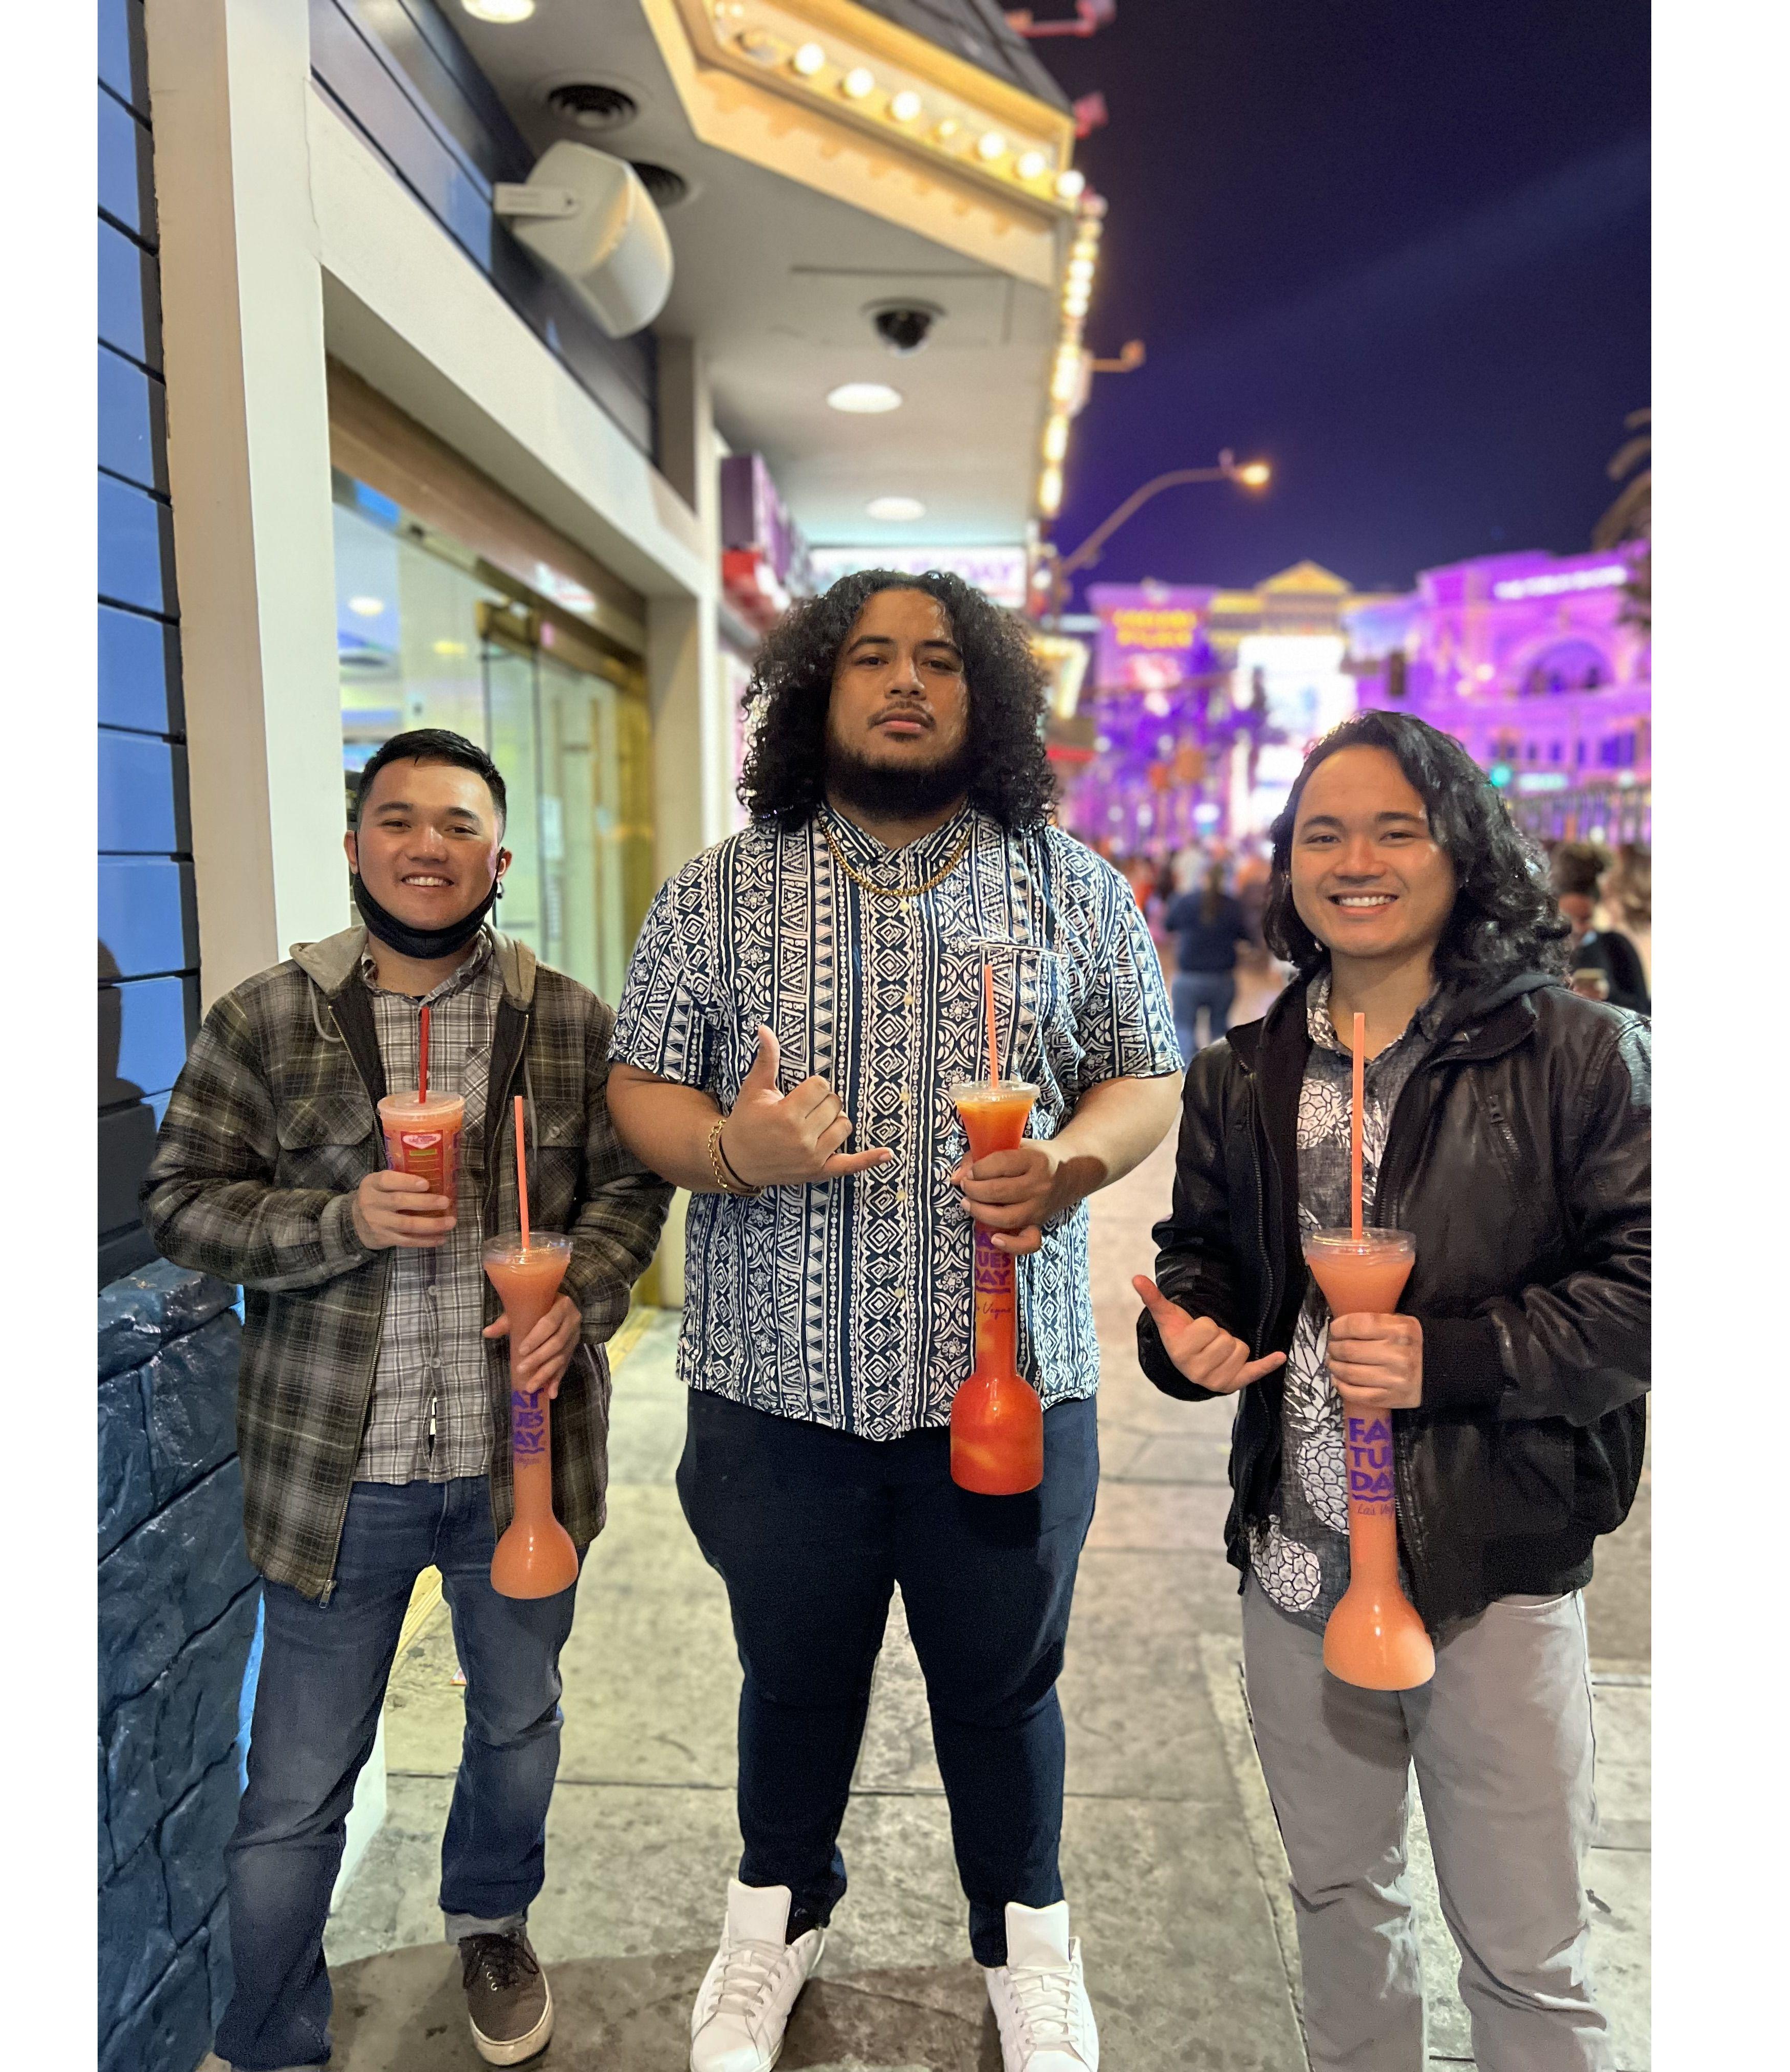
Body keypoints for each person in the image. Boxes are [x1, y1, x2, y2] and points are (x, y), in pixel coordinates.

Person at [605, 570, 1184, 2072]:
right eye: (872, 657)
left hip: (1008, 1389)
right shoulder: (718, 893)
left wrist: (1072, 1165)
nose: (906, 681)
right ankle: (773, 1921)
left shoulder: (1072, 887)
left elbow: (1146, 1070)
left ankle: (1027, 1941)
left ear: (986, 696)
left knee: (1005, 1688)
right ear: (819, 690)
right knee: (793, 1677)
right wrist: (734, 1149)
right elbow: (638, 1084)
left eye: (938, 658)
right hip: (775, 1388)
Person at [142, 728, 673, 2071]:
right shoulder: (268, 1020)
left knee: (517, 1724)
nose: (426, 846)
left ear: (499, 860)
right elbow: (183, 1203)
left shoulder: (567, 1024)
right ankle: (271, 2034)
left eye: (456, 824)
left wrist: (581, 1294)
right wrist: (343, 1220)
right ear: (354, 845)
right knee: (292, 1792)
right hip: (338, 1476)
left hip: (522, 1466)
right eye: (397, 820)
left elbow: (630, 1188)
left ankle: (492, 1922)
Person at [1131, 711, 1648, 2072]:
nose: (1355, 860)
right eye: (1323, 835)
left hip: (1489, 1566)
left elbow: (1652, 1291)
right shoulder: (1242, 1071)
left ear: (1462, 852)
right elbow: (1206, 1259)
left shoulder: (1580, 1056)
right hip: (1298, 1567)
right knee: (1338, 1903)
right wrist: (1189, 1334)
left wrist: (1455, 1356)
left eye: (1394, 830)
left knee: (1526, 1955)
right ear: (1288, 866)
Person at [1162, 854, 1254, 1058]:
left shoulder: (1185, 901)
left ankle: (1188, 1071)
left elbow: (1168, 926)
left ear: (1201, 877)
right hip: (1222, 980)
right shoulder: (1233, 905)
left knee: (1184, 1027)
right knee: (1219, 1029)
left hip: (1188, 979)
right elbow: (1246, 937)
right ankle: (1216, 1073)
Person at [1551, 841, 1650, 1014]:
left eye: (1586, 918)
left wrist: (1607, 997)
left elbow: (1644, 1010)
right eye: (1567, 919)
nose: (1577, 929)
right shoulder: (1543, 950)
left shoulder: (1616, 946)